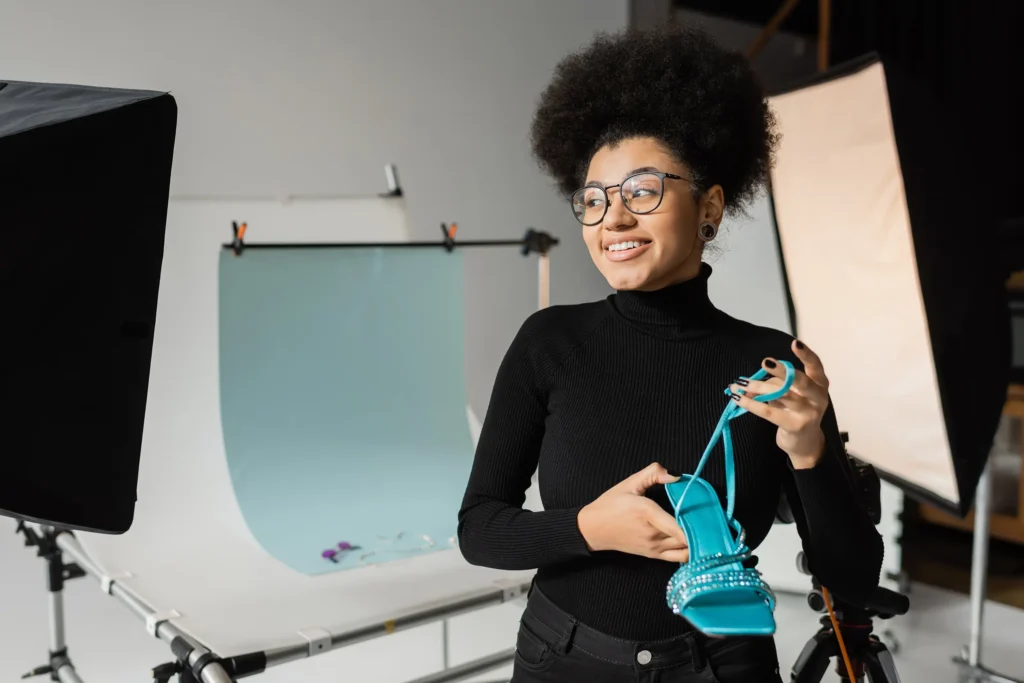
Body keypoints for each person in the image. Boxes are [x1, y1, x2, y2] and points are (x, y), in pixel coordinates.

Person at [456, 23, 883, 683]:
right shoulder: (549, 341)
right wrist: (590, 527)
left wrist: (809, 452)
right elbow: (480, 528)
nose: (613, 220)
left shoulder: (770, 368)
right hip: (563, 658)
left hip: (722, 663)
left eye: (643, 191)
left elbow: (852, 577)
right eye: (593, 201)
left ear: (709, 205)